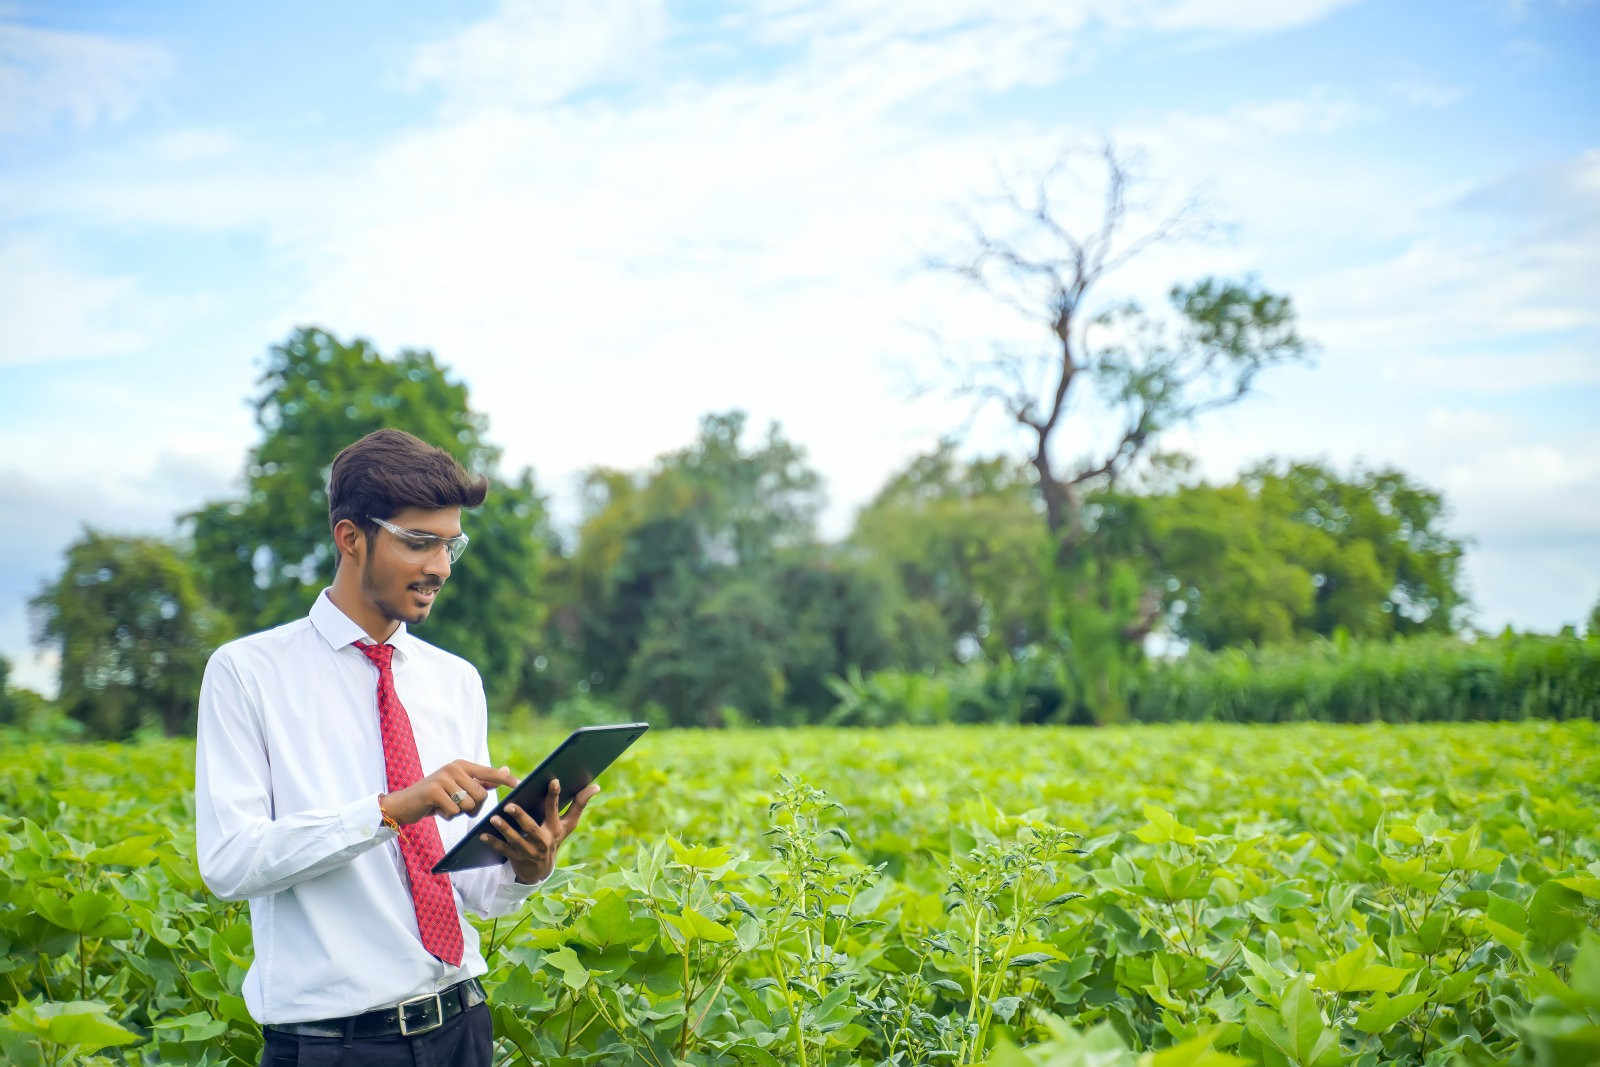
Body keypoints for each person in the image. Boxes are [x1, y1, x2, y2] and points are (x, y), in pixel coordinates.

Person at [194, 428, 598, 1066]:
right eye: (418, 542)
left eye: (449, 545)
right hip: (335, 1045)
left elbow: (472, 894)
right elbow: (229, 862)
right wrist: (389, 810)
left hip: (462, 1024)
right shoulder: (248, 673)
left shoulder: (454, 680)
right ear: (351, 537)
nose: (439, 566)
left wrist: (526, 867)